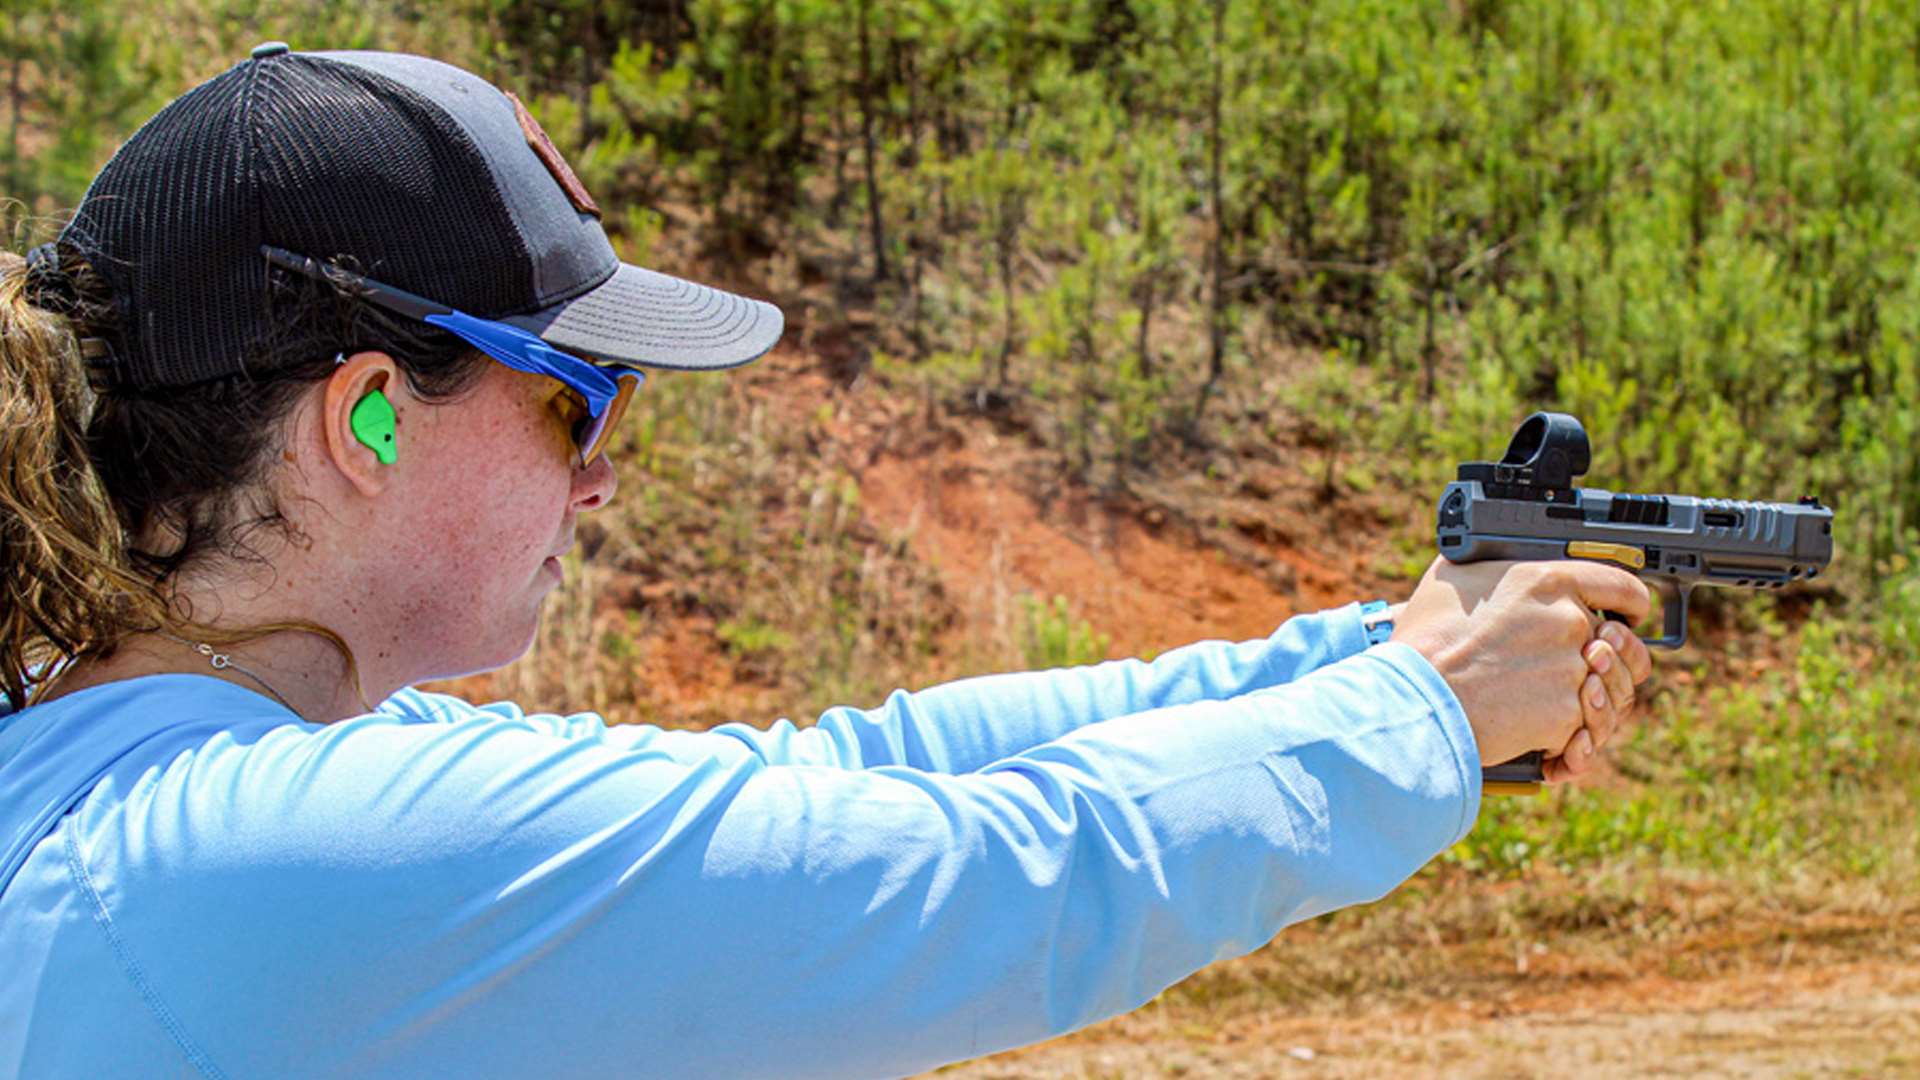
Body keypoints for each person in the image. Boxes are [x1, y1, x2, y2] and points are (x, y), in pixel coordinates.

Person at [0, 46, 1652, 1079]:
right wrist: (1419, 712)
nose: (601, 481)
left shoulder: (180, 774)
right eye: (582, 401)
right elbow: (991, 874)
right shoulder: (279, 852)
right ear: (364, 417)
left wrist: (1378, 653)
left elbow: (839, 768)